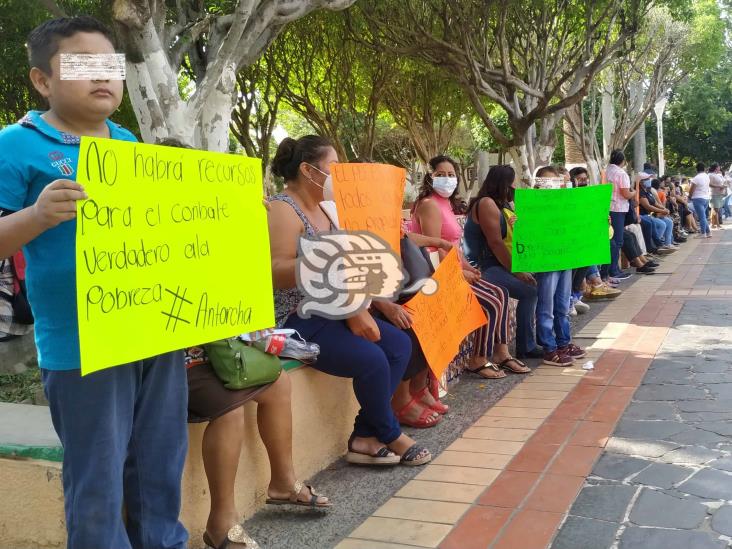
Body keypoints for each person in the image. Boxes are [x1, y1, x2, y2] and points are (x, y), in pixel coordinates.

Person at [0, 17, 188, 549]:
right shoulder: (14, 145)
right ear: (42, 80)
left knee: (159, 467)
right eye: (83, 66)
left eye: (110, 66)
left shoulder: (128, 142)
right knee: (97, 482)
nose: (102, 78)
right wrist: (37, 216)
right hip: (81, 344)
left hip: (154, 328)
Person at [268, 135, 431, 466]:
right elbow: (275, 270)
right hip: (297, 317)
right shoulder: (283, 209)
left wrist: (364, 301)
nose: (339, 174)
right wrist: (329, 263)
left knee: (399, 346)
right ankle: (389, 434)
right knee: (371, 359)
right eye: (334, 167)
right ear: (308, 170)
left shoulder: (327, 210)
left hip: (334, 308)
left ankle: (363, 436)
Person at [186, 345, 330, 549]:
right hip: (178, 364)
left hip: (214, 352)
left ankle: (283, 481)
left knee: (278, 382)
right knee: (229, 410)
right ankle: (221, 521)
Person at [411, 156, 529, 377]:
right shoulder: (429, 205)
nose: (447, 179)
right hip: (436, 276)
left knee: (500, 292)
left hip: (455, 269)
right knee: (491, 300)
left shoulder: (446, 204)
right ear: (429, 176)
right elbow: (433, 249)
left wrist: (467, 267)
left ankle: (501, 353)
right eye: (440, 175)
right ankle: (478, 359)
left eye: (451, 175)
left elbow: (454, 246)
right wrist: (461, 272)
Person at [463, 165, 543, 360]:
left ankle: (534, 340)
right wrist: (516, 272)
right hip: (484, 267)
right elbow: (496, 243)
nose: (514, 189)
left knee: (538, 283)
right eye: (512, 185)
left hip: (497, 263)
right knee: (529, 290)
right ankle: (525, 346)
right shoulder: (486, 204)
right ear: (504, 184)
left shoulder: (502, 206)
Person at [529, 166, 586, 366]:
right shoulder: (531, 206)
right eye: (547, 182)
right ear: (538, 184)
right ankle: (549, 348)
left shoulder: (565, 204)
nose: (553, 186)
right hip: (547, 261)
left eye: (556, 182)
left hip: (565, 258)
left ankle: (563, 343)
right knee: (547, 306)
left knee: (562, 304)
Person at [604, 150, 635, 280]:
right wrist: (634, 192)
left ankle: (612, 269)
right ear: (623, 160)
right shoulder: (621, 173)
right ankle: (614, 270)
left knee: (612, 239)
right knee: (617, 240)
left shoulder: (607, 171)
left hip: (608, 207)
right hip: (618, 208)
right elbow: (626, 194)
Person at [638, 174, 677, 253]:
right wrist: (662, 211)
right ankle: (656, 246)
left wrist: (663, 208)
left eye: (649, 178)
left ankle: (667, 244)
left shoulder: (648, 190)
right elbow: (647, 206)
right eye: (647, 179)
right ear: (641, 182)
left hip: (651, 215)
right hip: (643, 215)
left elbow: (655, 202)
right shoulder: (640, 192)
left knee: (669, 222)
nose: (649, 180)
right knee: (662, 224)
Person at [689, 162, 712, 238]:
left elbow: (692, 189)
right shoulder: (706, 176)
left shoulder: (696, 178)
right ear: (704, 168)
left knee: (701, 217)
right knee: (703, 216)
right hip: (706, 198)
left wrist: (689, 196)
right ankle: (708, 232)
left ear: (696, 169)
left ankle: (703, 233)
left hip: (698, 198)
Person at [709, 163, 726, 229]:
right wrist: (719, 186)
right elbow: (709, 184)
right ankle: (717, 225)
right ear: (716, 168)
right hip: (714, 194)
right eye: (719, 167)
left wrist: (722, 186)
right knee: (716, 210)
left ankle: (713, 224)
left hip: (718, 194)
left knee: (715, 209)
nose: (720, 168)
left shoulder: (716, 174)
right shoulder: (710, 175)